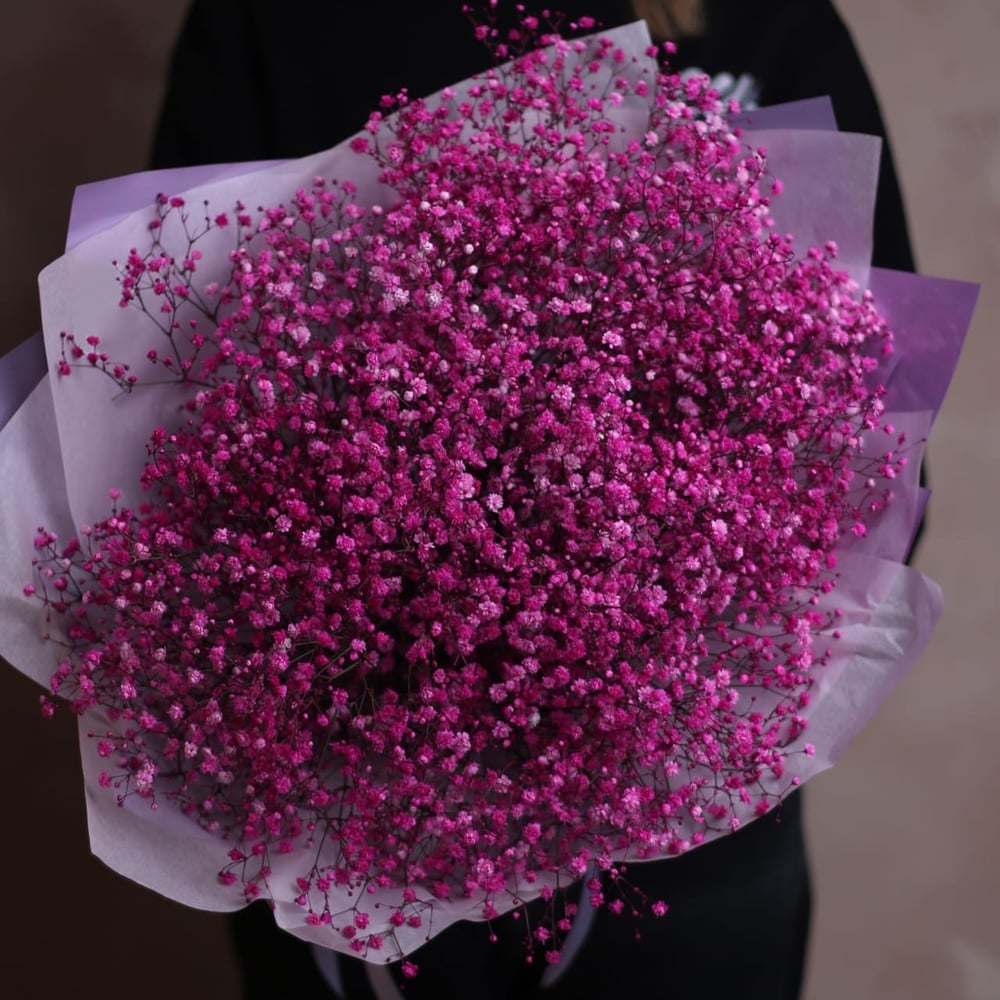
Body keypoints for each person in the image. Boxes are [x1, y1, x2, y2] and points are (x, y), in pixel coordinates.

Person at [150, 3, 917, 997]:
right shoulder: (276, 20)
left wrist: (659, 651)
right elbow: (179, 370)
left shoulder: (766, 17)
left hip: (687, 838)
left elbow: (879, 413)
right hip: (361, 812)